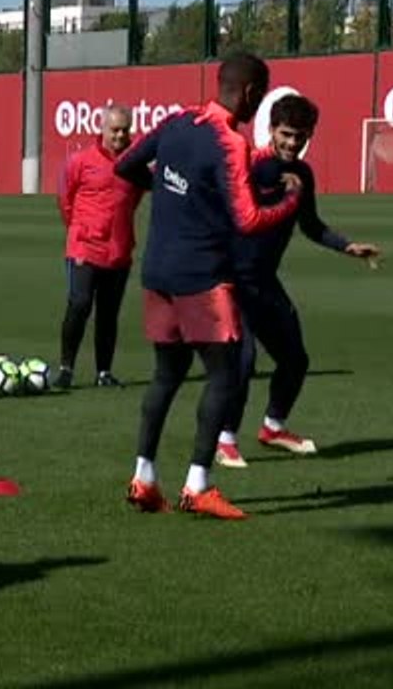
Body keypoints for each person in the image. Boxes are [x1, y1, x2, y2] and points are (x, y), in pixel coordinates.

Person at [114, 52, 302, 520]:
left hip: (157, 271)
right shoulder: (228, 141)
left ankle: (144, 478)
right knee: (225, 374)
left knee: (166, 374)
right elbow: (249, 219)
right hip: (201, 277)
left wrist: (167, 189)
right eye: (260, 96)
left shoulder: (177, 121)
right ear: (250, 93)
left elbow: (126, 165)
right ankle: (198, 485)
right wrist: (290, 200)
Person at [214, 95, 382, 468]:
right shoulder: (249, 167)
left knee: (295, 359)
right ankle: (225, 439)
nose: (292, 143)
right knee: (243, 362)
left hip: (264, 282)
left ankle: (273, 428)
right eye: (286, 134)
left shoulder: (303, 175)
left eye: (300, 136)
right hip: (232, 281)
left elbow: (311, 225)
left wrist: (347, 246)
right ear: (271, 130)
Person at [55, 105, 145, 389]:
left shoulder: (134, 165)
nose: (120, 135)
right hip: (85, 248)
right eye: (114, 130)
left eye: (124, 130)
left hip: (118, 251)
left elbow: (134, 200)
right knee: (79, 304)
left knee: (108, 313)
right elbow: (66, 200)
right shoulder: (81, 161)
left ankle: (103, 372)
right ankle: (66, 368)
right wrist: (80, 230)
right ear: (102, 129)